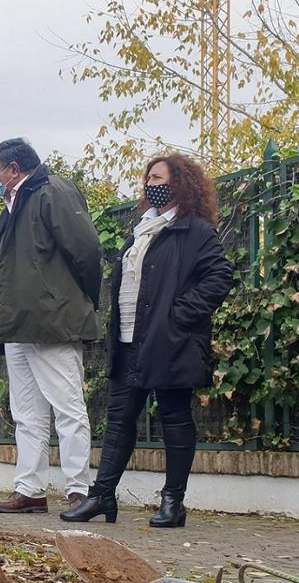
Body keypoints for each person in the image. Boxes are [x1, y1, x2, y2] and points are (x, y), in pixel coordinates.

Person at [61, 155, 233, 528]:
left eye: (157, 177)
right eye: (147, 178)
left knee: (175, 417)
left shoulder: (195, 230)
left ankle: (173, 503)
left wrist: (178, 316)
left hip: (170, 342)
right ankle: (102, 496)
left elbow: (219, 277)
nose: (148, 183)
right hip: (129, 339)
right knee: (119, 419)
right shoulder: (140, 230)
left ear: (178, 184)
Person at [0, 138, 104, 515]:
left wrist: (70, 301)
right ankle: (30, 490)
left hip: (52, 321)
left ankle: (79, 491)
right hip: (19, 324)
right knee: (28, 414)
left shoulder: (54, 192)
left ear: (14, 170)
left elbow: (88, 251)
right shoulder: (15, 203)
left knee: (68, 408)